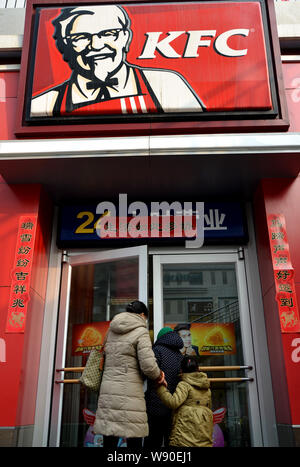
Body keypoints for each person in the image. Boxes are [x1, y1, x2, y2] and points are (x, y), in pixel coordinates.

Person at [30, 5, 205, 117]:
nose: (96, 45)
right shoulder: (43, 104)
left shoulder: (165, 84)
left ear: (125, 37)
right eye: (81, 37)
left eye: (107, 34)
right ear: (67, 44)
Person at [93, 300, 166, 449]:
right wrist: (159, 376)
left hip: (109, 389)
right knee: (134, 433)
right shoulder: (141, 331)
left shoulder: (111, 330)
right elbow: (148, 366)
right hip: (130, 392)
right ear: (142, 315)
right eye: (146, 317)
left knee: (110, 431)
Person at [156, 355, 213, 447]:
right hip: (203, 434)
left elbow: (173, 402)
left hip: (185, 437)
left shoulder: (184, 385)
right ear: (198, 369)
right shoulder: (207, 388)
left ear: (181, 371)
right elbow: (209, 408)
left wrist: (160, 388)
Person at [144, 327, 184, 448]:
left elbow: (151, 373)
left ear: (161, 338)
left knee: (153, 439)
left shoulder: (157, 350)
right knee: (170, 439)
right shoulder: (180, 355)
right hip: (174, 403)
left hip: (156, 402)